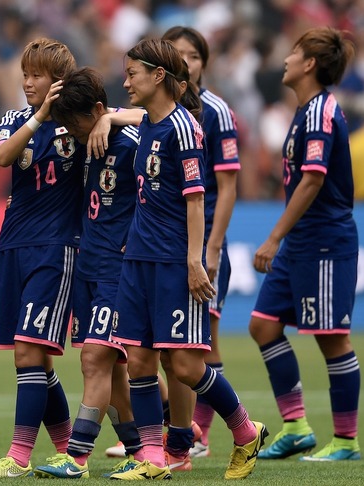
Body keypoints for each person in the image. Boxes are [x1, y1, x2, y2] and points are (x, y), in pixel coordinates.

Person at [109, 38, 267, 481]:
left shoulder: (182, 127)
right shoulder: (148, 126)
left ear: (158, 75)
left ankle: (245, 430)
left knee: (184, 364)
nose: (126, 82)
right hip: (138, 259)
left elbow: (196, 201)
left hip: (173, 262)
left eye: (132, 74)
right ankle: (154, 459)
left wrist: (195, 260)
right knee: (138, 360)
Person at [248, 27, 361, 462]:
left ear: (310, 63)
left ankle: (347, 442)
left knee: (332, 339)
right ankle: (296, 426)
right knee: (263, 324)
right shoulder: (305, 111)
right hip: (301, 242)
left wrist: (274, 236)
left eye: (294, 52)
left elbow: (313, 179)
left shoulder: (318, 114)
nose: (287, 59)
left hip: (324, 241)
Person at [0, 38, 84, 478]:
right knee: (38, 358)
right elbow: (1, 155)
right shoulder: (15, 119)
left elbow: (125, 124)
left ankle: (18, 456)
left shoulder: (81, 122)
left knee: (27, 352)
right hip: (13, 244)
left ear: (58, 82)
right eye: (26, 73)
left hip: (57, 249)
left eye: (37, 75)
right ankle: (65, 450)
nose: (27, 81)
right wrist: (38, 118)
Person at [31, 67, 144, 479]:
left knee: (95, 357)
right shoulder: (83, 139)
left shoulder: (133, 141)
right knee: (112, 369)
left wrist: (113, 117)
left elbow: (164, 119)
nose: (71, 133)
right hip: (88, 264)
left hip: (120, 269)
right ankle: (141, 449)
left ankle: (76, 456)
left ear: (97, 109)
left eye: (75, 124)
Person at [161, 26, 241, 463]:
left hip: (202, 237)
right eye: (176, 54)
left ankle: (200, 433)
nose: (184, 62)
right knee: (169, 345)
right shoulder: (156, 113)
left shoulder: (215, 110)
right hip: (165, 241)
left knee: (202, 342)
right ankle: (182, 431)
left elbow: (226, 188)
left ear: (203, 64)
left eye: (192, 55)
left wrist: (212, 248)